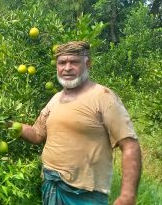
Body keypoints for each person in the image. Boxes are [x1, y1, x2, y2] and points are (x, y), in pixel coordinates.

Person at [20, 41, 142, 205]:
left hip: (85, 194)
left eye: (74, 62)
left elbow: (130, 145)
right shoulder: (55, 99)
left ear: (87, 63)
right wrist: (8, 124)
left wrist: (128, 195)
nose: (67, 68)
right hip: (51, 186)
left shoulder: (103, 97)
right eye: (62, 62)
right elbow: (36, 134)